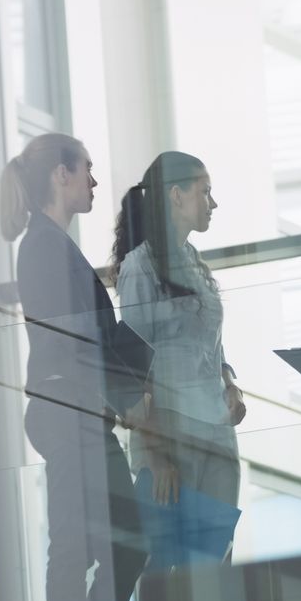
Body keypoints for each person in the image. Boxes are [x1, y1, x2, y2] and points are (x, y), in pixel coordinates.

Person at [1, 134, 148, 601]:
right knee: (74, 541)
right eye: (86, 169)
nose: (92, 180)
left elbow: (94, 333)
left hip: (81, 407)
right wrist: (123, 391)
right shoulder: (41, 244)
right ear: (60, 174)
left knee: (122, 539)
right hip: (68, 407)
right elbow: (70, 337)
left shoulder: (54, 244)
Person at [112, 152, 247, 550]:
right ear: (176, 195)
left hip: (217, 434)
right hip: (172, 434)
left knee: (213, 565)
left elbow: (211, 342)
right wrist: (153, 454)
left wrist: (230, 383)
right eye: (205, 192)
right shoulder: (140, 267)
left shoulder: (195, 263)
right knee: (167, 570)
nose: (213, 203)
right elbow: (134, 367)